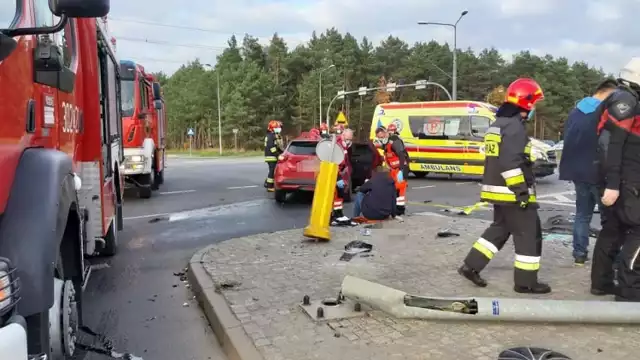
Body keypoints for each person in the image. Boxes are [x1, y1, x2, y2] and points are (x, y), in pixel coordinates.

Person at [458, 78, 550, 294]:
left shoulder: (498, 124)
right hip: (512, 192)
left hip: (496, 190)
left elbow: (501, 156)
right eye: (534, 102)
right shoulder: (515, 127)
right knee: (529, 234)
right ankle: (526, 282)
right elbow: (510, 163)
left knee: (499, 229)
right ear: (526, 102)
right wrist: (522, 192)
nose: (535, 107)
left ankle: (471, 266)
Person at [591, 58, 640, 301]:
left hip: (618, 177)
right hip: (626, 178)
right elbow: (613, 143)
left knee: (613, 229)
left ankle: (601, 282)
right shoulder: (626, 101)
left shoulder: (620, 97)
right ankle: (630, 289)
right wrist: (612, 184)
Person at [559, 79, 618, 265]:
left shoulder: (576, 111)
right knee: (609, 219)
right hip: (598, 172)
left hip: (577, 171)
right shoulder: (603, 113)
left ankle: (579, 255)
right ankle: (608, 258)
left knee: (582, 214)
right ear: (607, 94)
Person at [375, 124, 408, 215]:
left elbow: (401, 155)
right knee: (394, 189)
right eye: (379, 138)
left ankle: (400, 209)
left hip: (400, 168)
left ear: (385, 133)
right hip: (393, 169)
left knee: (400, 189)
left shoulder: (394, 141)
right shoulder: (386, 143)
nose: (380, 139)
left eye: (381, 137)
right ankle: (396, 208)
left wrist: (401, 170)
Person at [331, 129, 355, 225]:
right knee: (333, 195)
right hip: (334, 172)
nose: (349, 141)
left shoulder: (344, 146)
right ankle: (332, 216)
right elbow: (333, 162)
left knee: (339, 196)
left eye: (350, 139)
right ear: (343, 135)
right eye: (348, 138)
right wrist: (338, 178)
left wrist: (347, 170)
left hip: (340, 172)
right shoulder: (337, 144)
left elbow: (345, 160)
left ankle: (338, 214)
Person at [263, 120, 284, 192]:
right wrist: (278, 155)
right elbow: (272, 148)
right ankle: (269, 187)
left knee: (272, 171)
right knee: (272, 171)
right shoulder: (271, 136)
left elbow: (276, 146)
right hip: (271, 156)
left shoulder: (271, 135)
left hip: (271, 156)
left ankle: (267, 183)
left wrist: (282, 152)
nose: (279, 128)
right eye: (277, 127)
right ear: (273, 128)